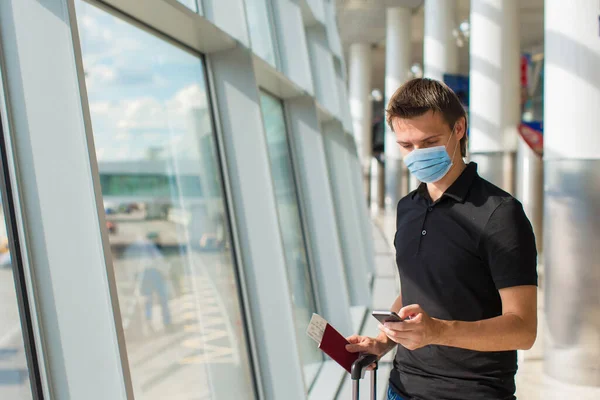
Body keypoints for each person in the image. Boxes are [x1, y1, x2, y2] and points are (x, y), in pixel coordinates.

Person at [346, 78, 538, 400]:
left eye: (429, 141)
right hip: (401, 389)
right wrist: (384, 341)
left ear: (459, 128)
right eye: (406, 146)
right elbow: (414, 290)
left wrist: (437, 331)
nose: (416, 154)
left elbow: (523, 329)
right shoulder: (408, 207)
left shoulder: (501, 214)